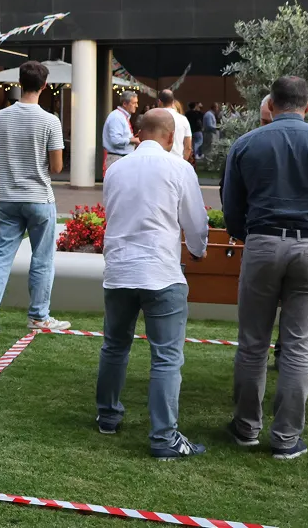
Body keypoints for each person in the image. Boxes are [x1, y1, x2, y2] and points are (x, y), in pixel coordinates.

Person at [221, 76, 308, 461]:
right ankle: (286, 437)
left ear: (270, 103)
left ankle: (246, 426)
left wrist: (244, 232)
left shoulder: (248, 143)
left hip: (263, 242)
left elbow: (232, 206)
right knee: (300, 348)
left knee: (252, 342)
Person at [97, 109, 209, 459]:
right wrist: (197, 250)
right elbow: (196, 222)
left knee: (114, 346)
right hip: (161, 271)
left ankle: (107, 416)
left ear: (138, 131)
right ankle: (164, 437)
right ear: (171, 135)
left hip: (119, 271)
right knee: (166, 357)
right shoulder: (179, 169)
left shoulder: (115, 169)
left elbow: (112, 213)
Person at [0, 62, 70, 335]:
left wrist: (7, 161)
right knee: (42, 259)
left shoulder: (1, 117)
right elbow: (56, 167)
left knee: (0, 256)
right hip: (39, 197)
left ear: (19, 82)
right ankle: (39, 317)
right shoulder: (50, 120)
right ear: (44, 86)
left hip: (8, 196)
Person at [102, 90, 140, 172]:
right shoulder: (116, 117)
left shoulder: (122, 117)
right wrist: (133, 140)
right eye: (133, 103)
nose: (136, 106)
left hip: (121, 157)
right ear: (125, 104)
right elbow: (115, 140)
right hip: (117, 158)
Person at [159, 89, 193, 162]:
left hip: (159, 159)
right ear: (173, 102)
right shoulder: (183, 119)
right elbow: (188, 147)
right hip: (177, 159)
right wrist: (183, 162)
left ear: (159, 102)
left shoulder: (154, 117)